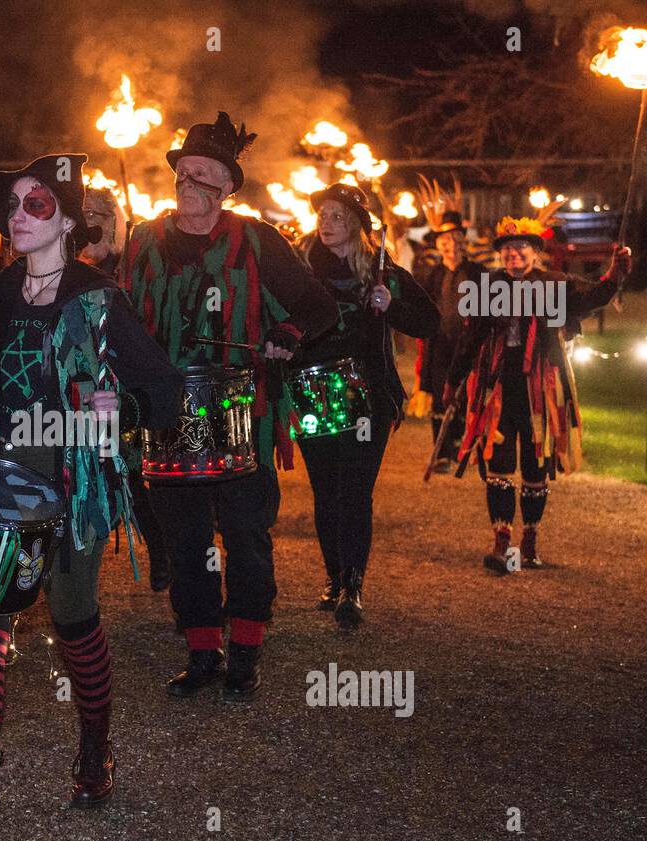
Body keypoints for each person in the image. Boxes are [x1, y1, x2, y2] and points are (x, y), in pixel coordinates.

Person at [0, 153, 181, 841]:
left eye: (35, 204)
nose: (16, 216)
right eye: (12, 204)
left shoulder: (99, 299)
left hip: (73, 481)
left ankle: (95, 743)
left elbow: (166, 390)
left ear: (69, 221)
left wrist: (124, 406)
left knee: (74, 618)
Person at [122, 111, 339, 699]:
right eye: (182, 171)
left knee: (246, 537)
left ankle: (245, 648)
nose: (187, 181)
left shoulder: (258, 240)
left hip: (244, 414)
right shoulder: (142, 240)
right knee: (185, 541)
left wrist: (287, 334)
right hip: (168, 414)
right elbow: (123, 318)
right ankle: (201, 651)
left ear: (226, 186)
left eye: (202, 173)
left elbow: (319, 308)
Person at [444, 215, 630, 572]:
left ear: (534, 252)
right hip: (498, 386)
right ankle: (501, 541)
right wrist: (453, 380)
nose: (513, 254)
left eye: (520, 248)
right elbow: (470, 337)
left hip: (540, 388)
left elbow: (594, 296)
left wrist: (615, 275)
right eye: (507, 249)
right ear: (500, 255)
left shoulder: (556, 284)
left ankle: (528, 542)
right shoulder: (486, 288)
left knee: (535, 464)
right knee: (498, 464)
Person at [293, 184, 440, 628]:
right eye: (323, 214)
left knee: (354, 491)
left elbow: (429, 322)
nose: (327, 222)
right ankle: (334, 576)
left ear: (357, 225)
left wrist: (391, 306)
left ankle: (353, 586)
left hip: (367, 398)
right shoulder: (299, 267)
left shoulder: (382, 271)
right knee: (325, 491)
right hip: (313, 394)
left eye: (338, 216)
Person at [80, 187, 170, 590]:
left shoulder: (130, 267)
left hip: (126, 389)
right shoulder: (65, 270)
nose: (89, 222)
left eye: (97, 215)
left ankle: (161, 551)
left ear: (113, 223)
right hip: (84, 390)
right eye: (83, 213)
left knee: (135, 476)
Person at [415, 206, 483, 470]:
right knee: (440, 394)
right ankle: (442, 453)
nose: (451, 245)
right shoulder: (432, 275)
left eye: (456, 238)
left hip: (469, 344)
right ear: (438, 244)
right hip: (440, 344)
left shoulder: (478, 273)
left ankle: (461, 448)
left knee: (466, 395)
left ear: (464, 241)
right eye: (445, 239)